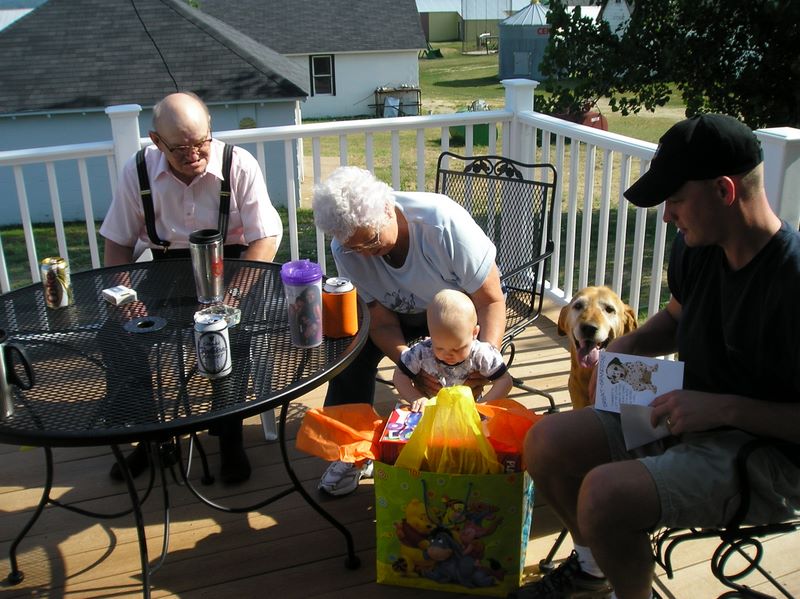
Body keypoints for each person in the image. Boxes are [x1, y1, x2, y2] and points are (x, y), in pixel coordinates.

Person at [515, 113, 800, 599]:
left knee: (604, 494)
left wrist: (722, 408)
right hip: (683, 415)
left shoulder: (791, 281)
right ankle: (592, 569)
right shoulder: (697, 248)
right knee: (543, 442)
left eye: (676, 200)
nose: (667, 215)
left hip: (766, 454)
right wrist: (629, 344)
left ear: (724, 192)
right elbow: (674, 318)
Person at [99, 92, 283, 485]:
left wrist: (231, 298)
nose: (195, 153)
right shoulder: (138, 172)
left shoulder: (238, 164)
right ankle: (149, 436)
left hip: (232, 267)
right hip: (166, 271)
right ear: (155, 140)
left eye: (201, 142)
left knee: (233, 333)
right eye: (180, 147)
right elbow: (116, 242)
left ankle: (229, 435)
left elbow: (266, 239)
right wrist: (126, 297)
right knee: (115, 338)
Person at [312, 166, 506, 495]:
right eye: (354, 247)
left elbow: (490, 300)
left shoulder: (440, 222)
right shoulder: (345, 248)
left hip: (455, 315)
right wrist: (411, 365)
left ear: (388, 207)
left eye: (371, 240)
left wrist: (479, 360)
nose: (365, 253)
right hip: (399, 315)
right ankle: (353, 448)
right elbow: (381, 319)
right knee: (348, 354)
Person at [393, 288, 512, 412]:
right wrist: (415, 397)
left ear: (474, 333)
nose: (448, 354)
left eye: (458, 348)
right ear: (430, 334)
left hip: (467, 410)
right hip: (429, 410)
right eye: (439, 347)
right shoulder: (423, 351)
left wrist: (482, 406)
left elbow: (505, 380)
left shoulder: (481, 353)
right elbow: (399, 375)